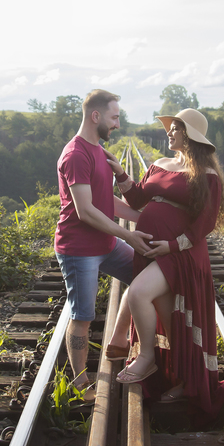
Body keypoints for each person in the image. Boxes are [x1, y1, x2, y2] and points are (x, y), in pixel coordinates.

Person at [103, 107, 224, 420]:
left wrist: (172, 246)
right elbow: (136, 200)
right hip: (153, 250)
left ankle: (147, 356)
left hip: (181, 256)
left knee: (136, 294)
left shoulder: (207, 176)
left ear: (189, 135)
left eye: (175, 128)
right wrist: (120, 174)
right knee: (170, 314)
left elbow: (204, 225)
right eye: (170, 127)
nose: (169, 132)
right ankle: (183, 379)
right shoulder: (159, 164)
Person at [54, 89, 155, 396]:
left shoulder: (98, 151)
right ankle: (81, 383)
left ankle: (120, 337)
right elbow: (86, 211)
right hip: (79, 250)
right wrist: (128, 235)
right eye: (114, 117)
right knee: (83, 316)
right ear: (95, 116)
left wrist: (145, 219)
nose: (117, 125)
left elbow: (105, 200)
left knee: (145, 278)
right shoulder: (76, 155)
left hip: (106, 245)